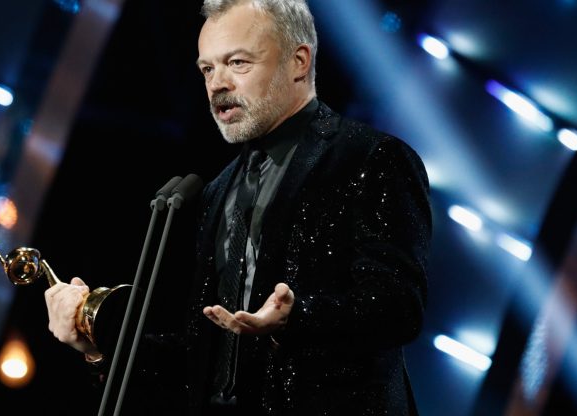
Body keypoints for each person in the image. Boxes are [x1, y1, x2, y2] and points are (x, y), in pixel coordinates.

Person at [44, 0, 431, 414]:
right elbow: (204, 360)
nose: (217, 84)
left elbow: (398, 307)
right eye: (207, 69)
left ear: (298, 62)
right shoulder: (217, 190)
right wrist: (96, 342)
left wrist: (296, 317)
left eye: (237, 63)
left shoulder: (370, 157)